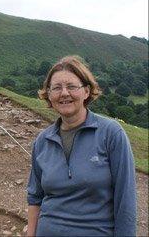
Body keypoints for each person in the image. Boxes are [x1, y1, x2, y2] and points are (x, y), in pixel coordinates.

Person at [26, 55, 136, 236]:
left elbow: (125, 201)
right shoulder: (42, 141)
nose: (64, 93)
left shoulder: (111, 134)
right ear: (49, 95)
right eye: (56, 88)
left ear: (86, 91)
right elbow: (35, 198)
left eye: (71, 86)